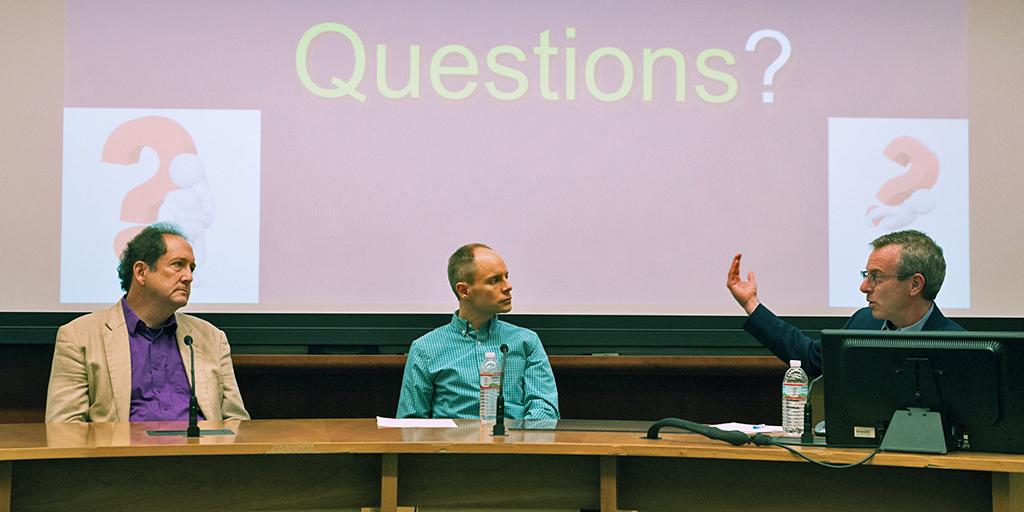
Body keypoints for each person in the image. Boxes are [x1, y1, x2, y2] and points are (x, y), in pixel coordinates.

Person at [45, 223, 249, 423]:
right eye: (178, 265)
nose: (188, 277)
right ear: (141, 272)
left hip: (201, 454)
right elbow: (64, 428)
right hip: (126, 455)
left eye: (191, 268)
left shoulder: (211, 338)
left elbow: (236, 421)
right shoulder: (79, 337)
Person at [727, 230, 963, 377]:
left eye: (876, 277)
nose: (864, 287)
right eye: (866, 275)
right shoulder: (863, 323)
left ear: (914, 284)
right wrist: (751, 304)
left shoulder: (959, 347)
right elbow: (810, 359)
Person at [397, 243, 559, 419]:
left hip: (514, 443)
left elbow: (545, 411)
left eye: (506, 276)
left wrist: (511, 442)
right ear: (464, 291)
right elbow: (411, 424)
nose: (508, 286)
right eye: (494, 280)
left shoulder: (526, 341)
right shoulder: (426, 348)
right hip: (451, 445)